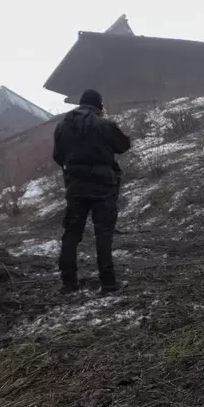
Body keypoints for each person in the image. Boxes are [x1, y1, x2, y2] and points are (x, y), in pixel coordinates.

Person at [52, 89, 131, 294]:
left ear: (80, 104)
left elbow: (58, 156)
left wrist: (73, 169)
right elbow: (123, 146)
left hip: (76, 186)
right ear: (99, 105)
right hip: (103, 185)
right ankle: (108, 283)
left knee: (71, 233)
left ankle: (68, 283)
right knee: (103, 233)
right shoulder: (103, 124)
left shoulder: (62, 126)